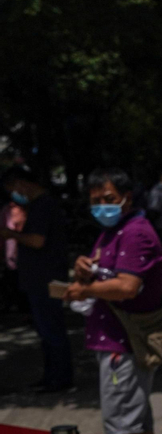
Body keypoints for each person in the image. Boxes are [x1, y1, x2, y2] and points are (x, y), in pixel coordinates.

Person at [66, 168, 162, 434]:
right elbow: (107, 275)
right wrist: (85, 272)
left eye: (108, 199)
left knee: (123, 418)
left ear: (126, 198)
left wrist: (84, 289)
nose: (102, 207)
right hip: (110, 338)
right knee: (133, 415)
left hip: (122, 343)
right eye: (95, 201)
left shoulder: (136, 233)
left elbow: (127, 287)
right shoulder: (111, 233)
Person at [1, 165, 73, 392]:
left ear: (21, 183)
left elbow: (37, 241)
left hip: (48, 279)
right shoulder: (39, 205)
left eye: (12, 188)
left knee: (52, 328)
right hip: (46, 277)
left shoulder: (43, 206)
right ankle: (53, 375)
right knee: (47, 329)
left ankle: (60, 379)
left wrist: (11, 234)